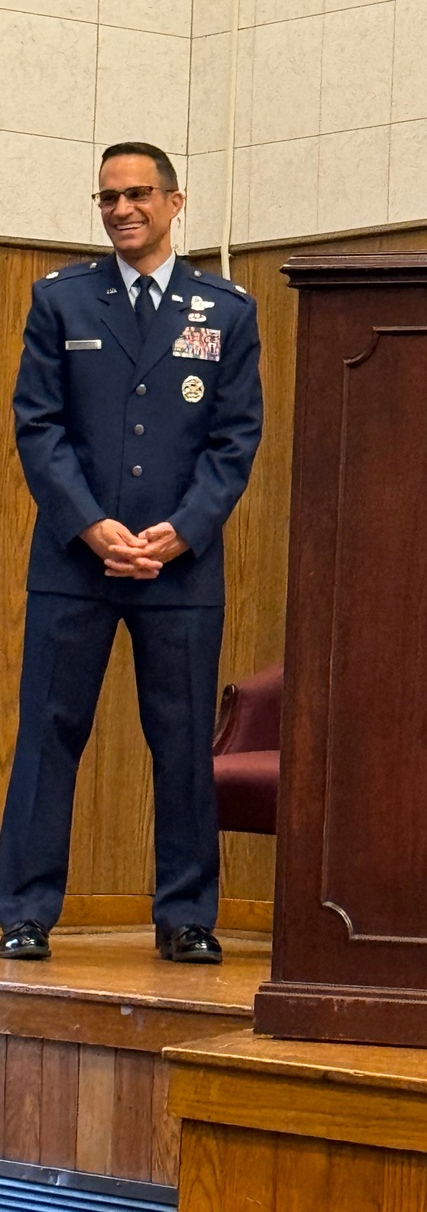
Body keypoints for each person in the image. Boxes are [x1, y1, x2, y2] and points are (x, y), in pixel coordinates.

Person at [0, 142, 263, 964]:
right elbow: (36, 426)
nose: (122, 210)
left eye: (139, 194)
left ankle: (186, 915)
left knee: (183, 741)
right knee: (48, 734)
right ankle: (23, 909)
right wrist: (89, 525)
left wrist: (184, 529)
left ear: (175, 204)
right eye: (108, 197)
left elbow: (236, 437)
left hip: (178, 565)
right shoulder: (62, 301)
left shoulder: (226, 308)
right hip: (76, 563)